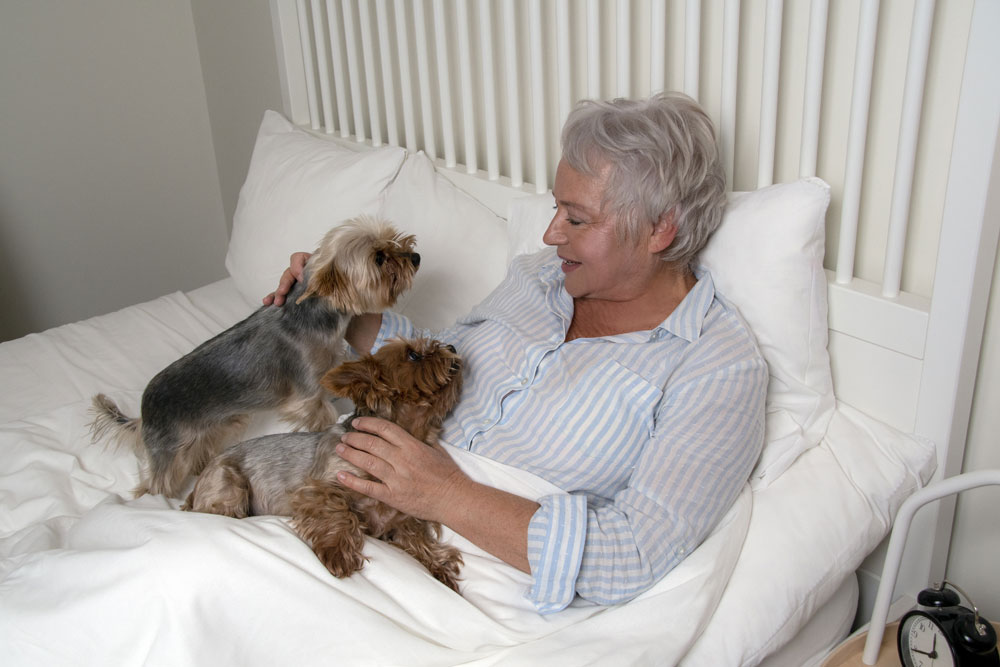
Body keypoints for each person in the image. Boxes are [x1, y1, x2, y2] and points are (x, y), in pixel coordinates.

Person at [265, 92, 768, 613]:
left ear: (660, 228)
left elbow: (633, 554)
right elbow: (432, 364)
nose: (551, 234)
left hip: (455, 566)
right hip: (351, 502)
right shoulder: (538, 277)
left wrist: (444, 493)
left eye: (576, 219)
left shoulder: (717, 367)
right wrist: (333, 303)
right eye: (557, 208)